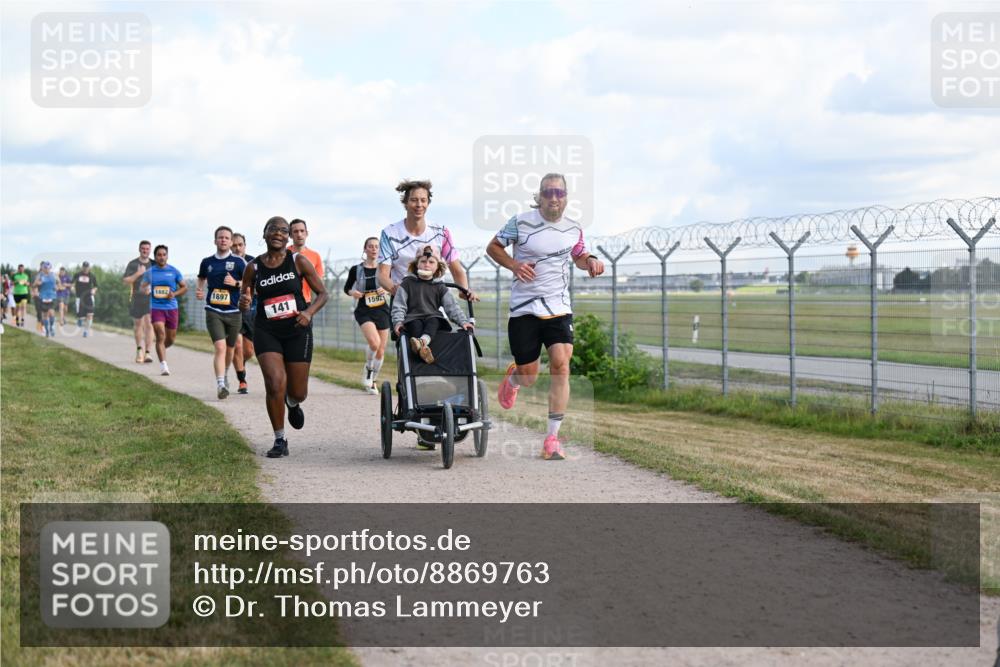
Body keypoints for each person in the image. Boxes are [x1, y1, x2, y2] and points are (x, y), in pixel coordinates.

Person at [486, 173, 605, 461]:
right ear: (539, 196)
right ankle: (514, 379)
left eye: (559, 193)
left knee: (561, 365)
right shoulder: (521, 222)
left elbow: (578, 255)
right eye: (548, 192)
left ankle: (552, 438)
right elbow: (493, 248)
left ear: (566, 197)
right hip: (524, 308)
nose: (554, 197)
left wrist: (589, 261)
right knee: (529, 377)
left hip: (558, 307)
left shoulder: (574, 228)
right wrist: (514, 265)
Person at [240, 216, 328, 459]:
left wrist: (309, 313)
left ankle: (292, 402)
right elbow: (244, 298)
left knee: (298, 391)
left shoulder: (298, 261)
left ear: (288, 237)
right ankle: (280, 439)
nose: (278, 233)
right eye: (273, 229)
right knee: (275, 382)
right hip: (267, 330)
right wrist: (243, 301)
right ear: (265, 233)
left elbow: (322, 294)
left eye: (283, 230)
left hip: (297, 329)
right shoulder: (254, 267)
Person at [376, 179, 476, 300]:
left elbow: (457, 270)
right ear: (405, 203)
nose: (419, 205)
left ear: (428, 203)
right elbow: (382, 275)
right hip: (404, 303)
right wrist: (398, 291)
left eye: (423, 200)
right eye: (414, 200)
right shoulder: (389, 233)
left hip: (435, 302)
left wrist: (464, 290)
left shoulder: (441, 232)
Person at [391, 245, 473, 364]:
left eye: (431, 262)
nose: (427, 264)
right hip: (413, 317)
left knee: (434, 320)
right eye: (423, 261)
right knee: (415, 324)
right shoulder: (407, 283)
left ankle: (422, 342)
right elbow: (399, 305)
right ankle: (423, 350)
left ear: (437, 266)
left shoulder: (440, 286)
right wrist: (398, 322)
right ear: (416, 264)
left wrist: (463, 321)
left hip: (433, 317)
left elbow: (452, 307)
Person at [196, 226, 247, 399]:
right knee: (220, 347)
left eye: (226, 238)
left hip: (234, 312)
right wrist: (200, 289)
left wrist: (236, 284)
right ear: (215, 240)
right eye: (220, 237)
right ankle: (220, 384)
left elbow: (250, 284)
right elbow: (201, 277)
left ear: (231, 242)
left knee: (231, 349)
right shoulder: (207, 262)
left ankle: (224, 374)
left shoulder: (240, 263)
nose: (223, 240)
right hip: (213, 310)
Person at [345, 237, 390, 394]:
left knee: (381, 350)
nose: (374, 249)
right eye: (370, 246)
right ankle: (368, 369)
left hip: (382, 309)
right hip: (364, 310)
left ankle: (373, 381)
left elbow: (394, 286)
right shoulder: (356, 269)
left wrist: (387, 289)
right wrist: (353, 292)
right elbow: (347, 288)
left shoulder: (385, 269)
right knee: (374, 343)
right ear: (365, 249)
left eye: (376, 246)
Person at [141, 245, 187, 376]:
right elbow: (143, 287)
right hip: (156, 307)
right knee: (160, 334)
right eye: (159, 255)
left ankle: (159, 348)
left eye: (164, 254)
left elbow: (184, 287)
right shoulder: (150, 272)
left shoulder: (174, 271)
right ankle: (164, 366)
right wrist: (146, 290)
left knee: (170, 339)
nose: (161, 257)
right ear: (155, 257)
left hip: (171, 308)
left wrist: (175, 293)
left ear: (167, 256)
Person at [123, 240, 155, 363]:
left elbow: (160, 279)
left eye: (147, 249)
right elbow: (126, 281)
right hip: (136, 297)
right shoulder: (132, 264)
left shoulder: (154, 264)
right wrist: (137, 273)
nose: (145, 251)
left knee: (149, 323)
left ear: (150, 250)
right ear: (139, 249)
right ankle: (139, 350)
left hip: (150, 297)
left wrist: (151, 288)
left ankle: (148, 353)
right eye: (143, 248)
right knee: (138, 324)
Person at [231, 232, 255, 394]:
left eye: (240, 244)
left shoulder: (254, 262)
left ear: (245, 245)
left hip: (250, 311)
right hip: (232, 309)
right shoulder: (227, 262)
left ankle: (240, 363)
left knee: (248, 351)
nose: (237, 248)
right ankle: (242, 380)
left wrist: (237, 283)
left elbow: (256, 285)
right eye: (234, 245)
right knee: (237, 345)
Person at [288, 219, 324, 304]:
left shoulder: (315, 256)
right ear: (290, 235)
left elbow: (319, 283)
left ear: (307, 233)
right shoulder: (283, 254)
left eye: (302, 231)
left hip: (305, 301)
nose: (299, 234)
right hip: (286, 302)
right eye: (295, 231)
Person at [72, 261, 98, 337]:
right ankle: (80, 319)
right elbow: (72, 283)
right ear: (82, 267)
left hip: (89, 297)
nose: (85, 268)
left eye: (87, 267)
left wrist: (94, 290)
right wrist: (72, 288)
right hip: (79, 297)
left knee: (90, 315)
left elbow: (96, 286)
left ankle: (86, 331)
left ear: (89, 267)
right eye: (84, 267)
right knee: (81, 317)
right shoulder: (77, 275)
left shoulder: (92, 276)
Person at [32, 261, 58, 337]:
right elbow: (34, 284)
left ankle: (51, 327)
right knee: (45, 315)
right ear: (42, 268)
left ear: (50, 268)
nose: (46, 269)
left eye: (48, 268)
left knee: (52, 313)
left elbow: (58, 283)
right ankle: (47, 331)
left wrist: (57, 287)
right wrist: (37, 283)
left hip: (52, 296)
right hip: (42, 297)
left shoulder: (54, 275)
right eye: (45, 268)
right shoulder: (39, 275)